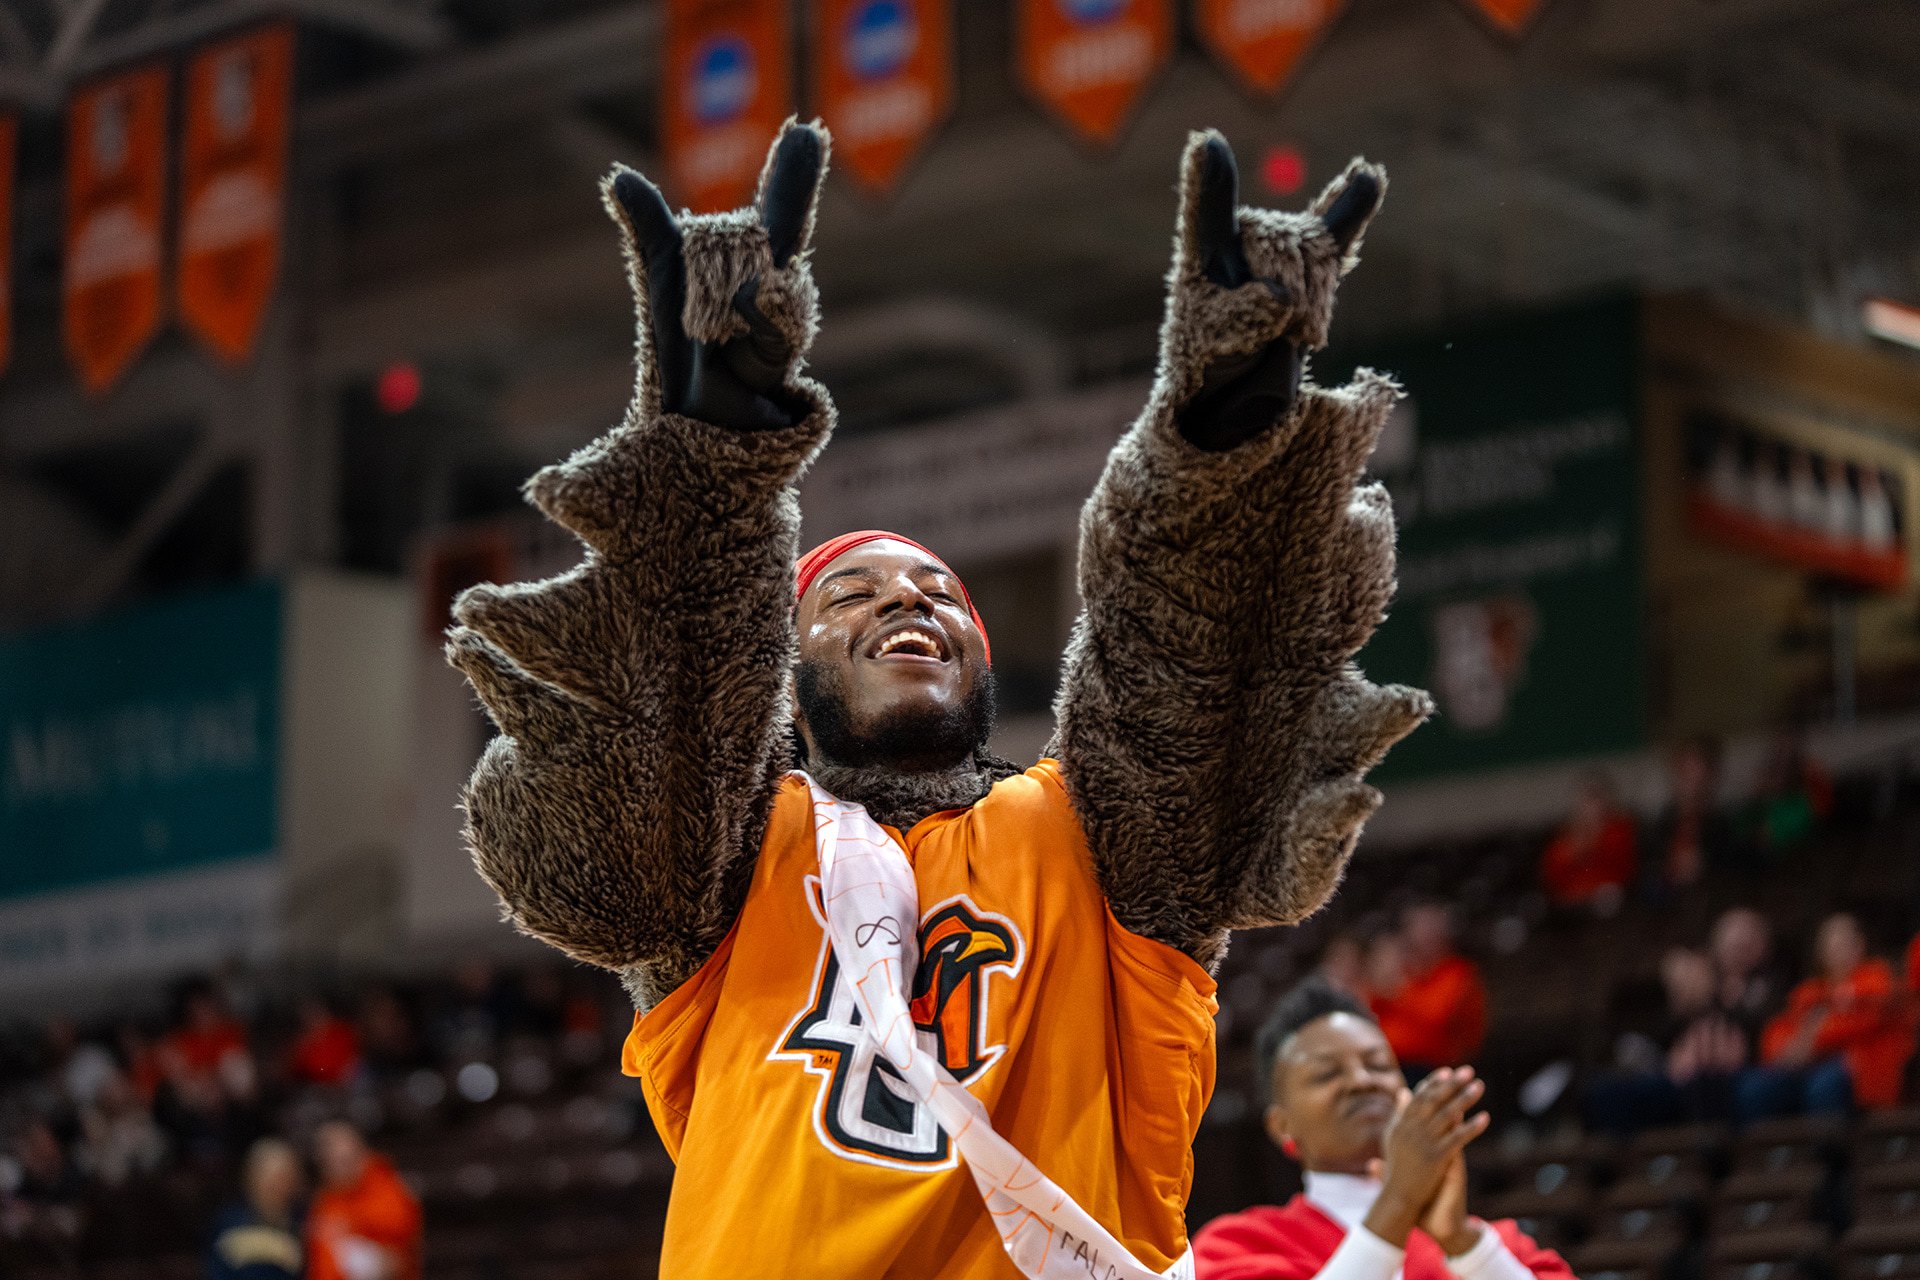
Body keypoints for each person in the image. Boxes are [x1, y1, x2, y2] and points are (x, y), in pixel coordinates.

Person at [447, 122, 1427, 1278]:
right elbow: (653, 763)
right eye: (849, 592)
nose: (906, 603)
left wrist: (1223, 432)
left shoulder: (1092, 836)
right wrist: (709, 462)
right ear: (784, 670)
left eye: (938, 593)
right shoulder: (730, 855)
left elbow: (1184, 669)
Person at [1192, 981, 1571, 1280]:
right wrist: (1399, 1201)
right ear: (1282, 1125)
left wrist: (1464, 1246)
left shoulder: (1496, 1243)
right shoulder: (1237, 1245)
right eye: (1327, 1073)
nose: (1361, 1081)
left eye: (1377, 1065)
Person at [1749, 912, 1913, 1113]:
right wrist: (1787, 1050)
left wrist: (1813, 1038)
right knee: (1756, 1089)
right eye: (1831, 941)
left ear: (1860, 944)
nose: (1837, 947)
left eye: (1844, 940)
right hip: (1808, 1065)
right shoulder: (1812, 991)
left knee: (1824, 1086)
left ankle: (1830, 1145)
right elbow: (1779, 1031)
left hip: (1860, 1071)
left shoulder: (1878, 980)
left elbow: (1863, 1021)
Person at [1583, 947, 1749, 1136]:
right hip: (1671, 1084)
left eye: (1689, 978)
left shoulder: (1726, 1014)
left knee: (1703, 1088)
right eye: (1674, 982)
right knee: (1604, 1092)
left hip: (1712, 1087)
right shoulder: (1666, 1022)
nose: (1681, 987)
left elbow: (1732, 1058)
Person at [1369, 904, 1487, 1077]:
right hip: (1388, 1063)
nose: (1426, 935)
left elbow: (1435, 1017)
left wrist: (1397, 992)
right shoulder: (1400, 968)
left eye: (1432, 927)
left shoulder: (1456, 972)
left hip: (1433, 1068)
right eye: (1420, 927)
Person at [307, 1121, 421, 1280]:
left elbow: (398, 1249)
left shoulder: (387, 1188)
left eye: (344, 1159)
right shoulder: (326, 1198)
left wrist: (352, 1232)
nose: (337, 1165)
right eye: (330, 1159)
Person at [1642, 738, 1731, 898]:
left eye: (1695, 770)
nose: (1689, 780)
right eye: (1683, 770)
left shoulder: (1720, 823)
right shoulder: (1664, 821)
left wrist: (1704, 863)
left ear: (1710, 776)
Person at [208, 1137, 306, 1280]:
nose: (276, 1186)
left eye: (283, 1177)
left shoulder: (305, 1221)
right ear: (252, 1178)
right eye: (269, 1178)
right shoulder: (230, 1222)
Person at [1539, 772, 1636, 912]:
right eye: (1588, 799)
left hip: (1610, 902)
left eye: (1597, 798)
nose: (1593, 805)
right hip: (1573, 908)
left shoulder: (1619, 829)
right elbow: (1552, 875)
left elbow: (1621, 867)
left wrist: (1594, 837)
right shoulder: (1566, 838)